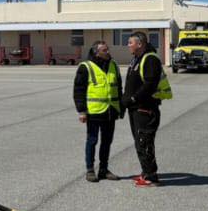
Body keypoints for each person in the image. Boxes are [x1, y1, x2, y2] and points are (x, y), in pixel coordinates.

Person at [123, 32, 172, 187]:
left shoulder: (150, 58)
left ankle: (151, 176)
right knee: (140, 142)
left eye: (130, 42)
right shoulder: (137, 58)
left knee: (145, 142)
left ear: (140, 43)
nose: (128, 45)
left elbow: (150, 84)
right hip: (136, 109)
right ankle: (146, 172)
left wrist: (133, 98)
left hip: (145, 109)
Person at [72, 40, 123, 182]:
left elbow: (118, 88)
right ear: (96, 52)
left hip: (110, 111)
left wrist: (120, 107)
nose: (108, 52)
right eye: (104, 50)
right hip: (94, 112)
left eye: (108, 49)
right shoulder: (85, 67)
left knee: (107, 142)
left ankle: (104, 169)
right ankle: (90, 170)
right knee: (92, 141)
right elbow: (78, 91)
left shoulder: (113, 65)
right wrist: (82, 111)